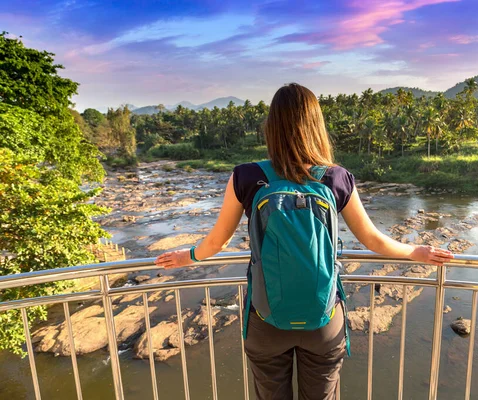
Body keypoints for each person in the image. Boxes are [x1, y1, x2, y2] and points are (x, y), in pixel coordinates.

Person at [155, 83, 454, 399]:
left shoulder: (245, 176)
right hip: (322, 320)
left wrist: (187, 256)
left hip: (266, 318)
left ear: (272, 128)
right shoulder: (335, 178)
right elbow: (372, 239)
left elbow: (216, 242)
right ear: (316, 126)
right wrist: (416, 251)